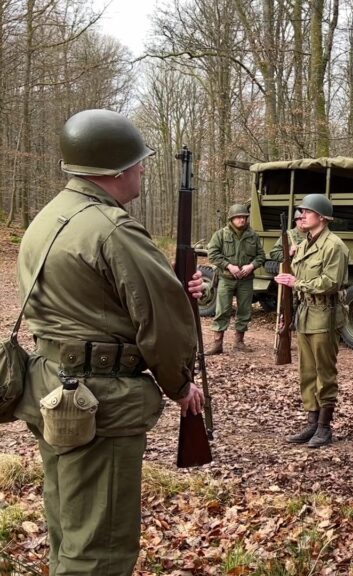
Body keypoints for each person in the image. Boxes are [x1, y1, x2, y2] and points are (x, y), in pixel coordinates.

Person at [15, 108, 205, 575]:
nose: (143, 169)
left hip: (53, 387)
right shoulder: (113, 228)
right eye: (138, 161)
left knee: (70, 527)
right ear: (117, 169)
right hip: (99, 399)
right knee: (100, 550)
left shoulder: (48, 217)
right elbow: (162, 323)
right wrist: (180, 386)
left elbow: (88, 300)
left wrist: (173, 286)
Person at [274, 193, 349, 448]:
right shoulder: (304, 244)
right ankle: (312, 422)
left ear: (322, 217)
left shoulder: (334, 246)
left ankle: (325, 427)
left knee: (324, 372)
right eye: (301, 212)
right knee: (307, 372)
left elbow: (331, 282)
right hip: (305, 314)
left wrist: (298, 282)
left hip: (325, 315)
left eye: (307, 212)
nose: (302, 216)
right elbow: (296, 279)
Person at [206, 203, 266, 354]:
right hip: (226, 278)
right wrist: (228, 266)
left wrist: (251, 266)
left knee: (245, 311)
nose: (242, 220)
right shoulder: (221, 234)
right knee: (222, 310)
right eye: (238, 217)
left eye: (244, 217)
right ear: (231, 219)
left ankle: (239, 342)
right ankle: (217, 344)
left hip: (246, 280)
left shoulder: (253, 236)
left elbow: (261, 256)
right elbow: (212, 254)